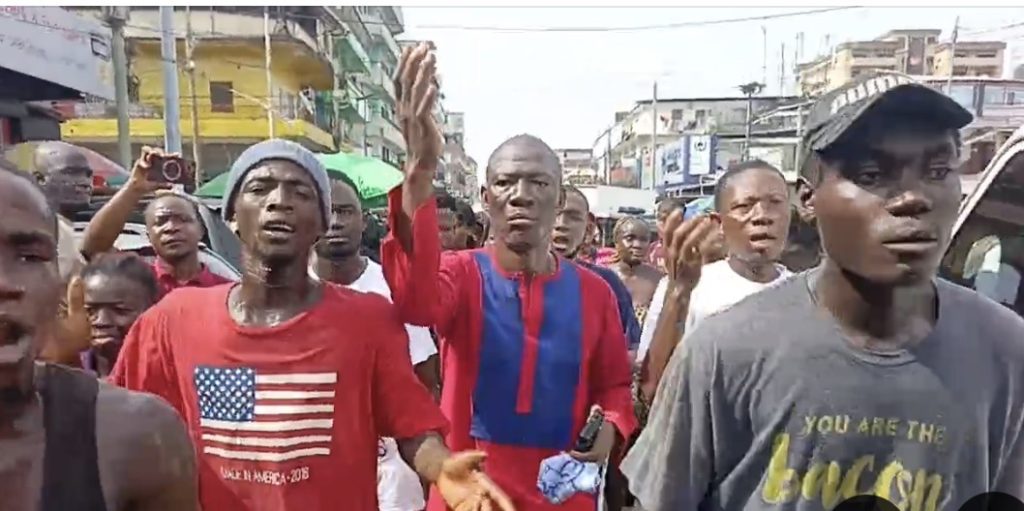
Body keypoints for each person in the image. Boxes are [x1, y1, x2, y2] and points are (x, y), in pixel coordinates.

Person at [623, 72, 1024, 510]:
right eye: (872, 173)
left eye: (938, 171)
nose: (913, 198)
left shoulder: (1006, 353)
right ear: (809, 199)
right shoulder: (723, 353)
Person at [110, 139, 512, 511]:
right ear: (231, 216)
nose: (279, 201)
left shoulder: (368, 319)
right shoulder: (173, 320)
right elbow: (119, 420)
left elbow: (413, 428)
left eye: (300, 193)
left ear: (321, 224)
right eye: (260, 188)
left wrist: (442, 469)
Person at [383, 43, 636, 511]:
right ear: (485, 196)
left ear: (560, 200)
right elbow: (416, 303)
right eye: (505, 183)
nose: (520, 196)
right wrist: (419, 169)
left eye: (538, 183)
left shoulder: (595, 293)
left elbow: (615, 387)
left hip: (563, 496)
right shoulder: (461, 274)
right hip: (472, 493)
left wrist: (611, 427)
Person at [0, 161, 197, 511]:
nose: (4, 283)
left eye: (29, 257)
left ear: (60, 288)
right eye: (94, 310)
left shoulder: (136, 437)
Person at [310, 174, 441, 511]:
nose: (336, 222)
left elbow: (425, 378)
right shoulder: (284, 294)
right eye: (327, 211)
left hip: (394, 476)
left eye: (345, 211)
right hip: (316, 473)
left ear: (363, 220)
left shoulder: (391, 286)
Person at [550, 185, 641, 511]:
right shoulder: (499, 277)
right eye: (556, 213)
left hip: (584, 439)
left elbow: (626, 359)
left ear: (588, 227)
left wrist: (611, 421)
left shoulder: (606, 286)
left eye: (571, 216)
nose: (560, 224)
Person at [81, 147, 232, 299]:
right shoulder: (134, 282)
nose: (171, 228)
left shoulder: (226, 291)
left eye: (183, 220)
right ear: (148, 235)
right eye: (161, 221)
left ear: (201, 230)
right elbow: (94, 248)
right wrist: (134, 187)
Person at [79, 253, 160, 377]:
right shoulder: (64, 372)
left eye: (120, 310)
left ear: (152, 311)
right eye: (90, 311)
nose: (101, 321)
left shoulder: (167, 374)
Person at [32, 141, 93, 281]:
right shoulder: (36, 229)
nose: (85, 182)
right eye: (71, 173)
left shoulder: (66, 228)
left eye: (87, 175)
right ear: (39, 179)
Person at [607, 217, 663, 327]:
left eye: (644, 239)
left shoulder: (659, 280)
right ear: (616, 241)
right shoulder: (604, 278)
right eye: (630, 238)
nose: (638, 245)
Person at [648, 198, 681, 271]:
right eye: (660, 220)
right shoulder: (650, 250)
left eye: (671, 221)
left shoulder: (689, 250)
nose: (663, 225)